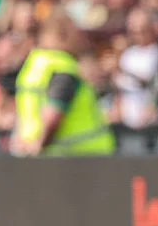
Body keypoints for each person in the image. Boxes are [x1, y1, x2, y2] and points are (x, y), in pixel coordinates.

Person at [12, 13, 116, 156]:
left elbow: (24, 112)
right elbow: (53, 113)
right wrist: (39, 145)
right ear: (63, 35)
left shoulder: (33, 65)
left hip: (43, 155)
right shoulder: (63, 68)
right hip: (79, 157)